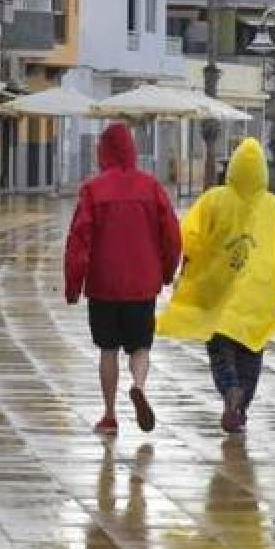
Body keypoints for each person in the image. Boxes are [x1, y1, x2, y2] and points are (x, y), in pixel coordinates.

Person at [157, 138, 275, 434]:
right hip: (257, 301)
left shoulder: (215, 199)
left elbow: (189, 236)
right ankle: (241, 407)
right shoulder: (272, 207)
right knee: (252, 355)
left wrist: (185, 268)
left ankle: (230, 392)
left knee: (220, 353)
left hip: (219, 298)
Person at [65, 124, 181, 436]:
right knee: (140, 346)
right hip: (142, 284)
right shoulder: (152, 187)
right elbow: (172, 235)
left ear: (103, 151)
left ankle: (109, 414)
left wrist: (73, 285)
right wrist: (167, 272)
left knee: (107, 350)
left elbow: (78, 240)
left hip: (103, 285)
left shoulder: (93, 190)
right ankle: (139, 385)